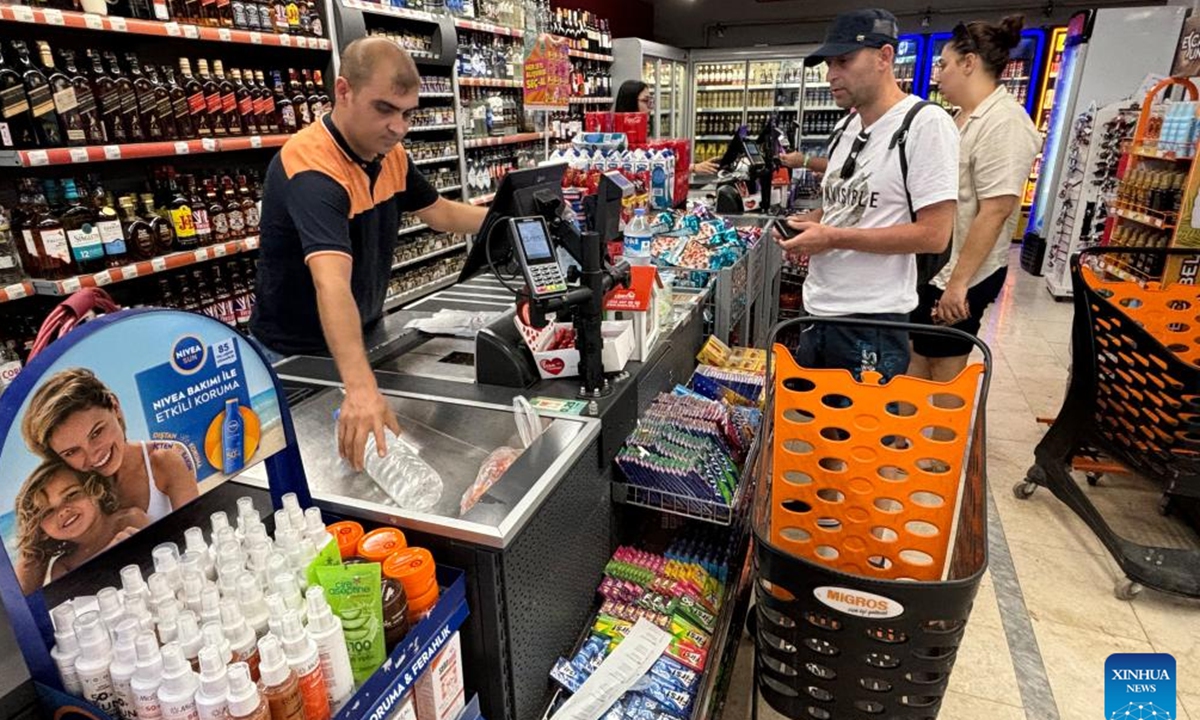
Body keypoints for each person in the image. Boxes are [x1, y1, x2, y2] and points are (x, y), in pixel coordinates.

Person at [249, 37, 489, 471]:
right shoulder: (313, 169)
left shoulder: (389, 154)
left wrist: (512, 217)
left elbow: (439, 213)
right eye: (384, 109)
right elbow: (331, 283)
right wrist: (360, 390)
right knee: (320, 474)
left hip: (359, 335)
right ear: (343, 91)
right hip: (295, 358)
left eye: (407, 113)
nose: (398, 127)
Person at [775, 9, 959, 380]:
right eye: (828, 64)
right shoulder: (846, 127)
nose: (831, 75)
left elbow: (934, 234)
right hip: (818, 308)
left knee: (861, 420)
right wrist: (813, 223)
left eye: (843, 61)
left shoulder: (924, 124)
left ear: (884, 57)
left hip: (871, 320)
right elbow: (846, 207)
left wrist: (833, 237)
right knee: (812, 416)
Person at [908, 17, 1042, 381]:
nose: (939, 74)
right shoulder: (960, 117)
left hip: (962, 273)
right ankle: (909, 421)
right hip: (937, 266)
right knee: (916, 361)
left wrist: (958, 284)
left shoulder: (1005, 123)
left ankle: (937, 423)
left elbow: (996, 210)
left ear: (969, 63)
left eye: (944, 64)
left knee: (945, 369)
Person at [22, 368, 198, 522]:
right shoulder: (71, 495)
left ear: (115, 407)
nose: (93, 456)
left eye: (96, 433)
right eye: (71, 452)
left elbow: (197, 529)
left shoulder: (165, 460)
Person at [14, 461, 150, 594]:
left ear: (95, 489)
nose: (62, 511)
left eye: (71, 495)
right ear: (41, 531)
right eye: (47, 512)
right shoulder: (64, 565)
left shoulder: (128, 519)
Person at [613, 80, 719, 175]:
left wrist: (692, 167)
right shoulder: (615, 136)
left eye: (651, 101)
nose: (650, 107)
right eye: (645, 101)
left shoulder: (643, 129)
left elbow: (651, 164)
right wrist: (693, 167)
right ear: (630, 102)